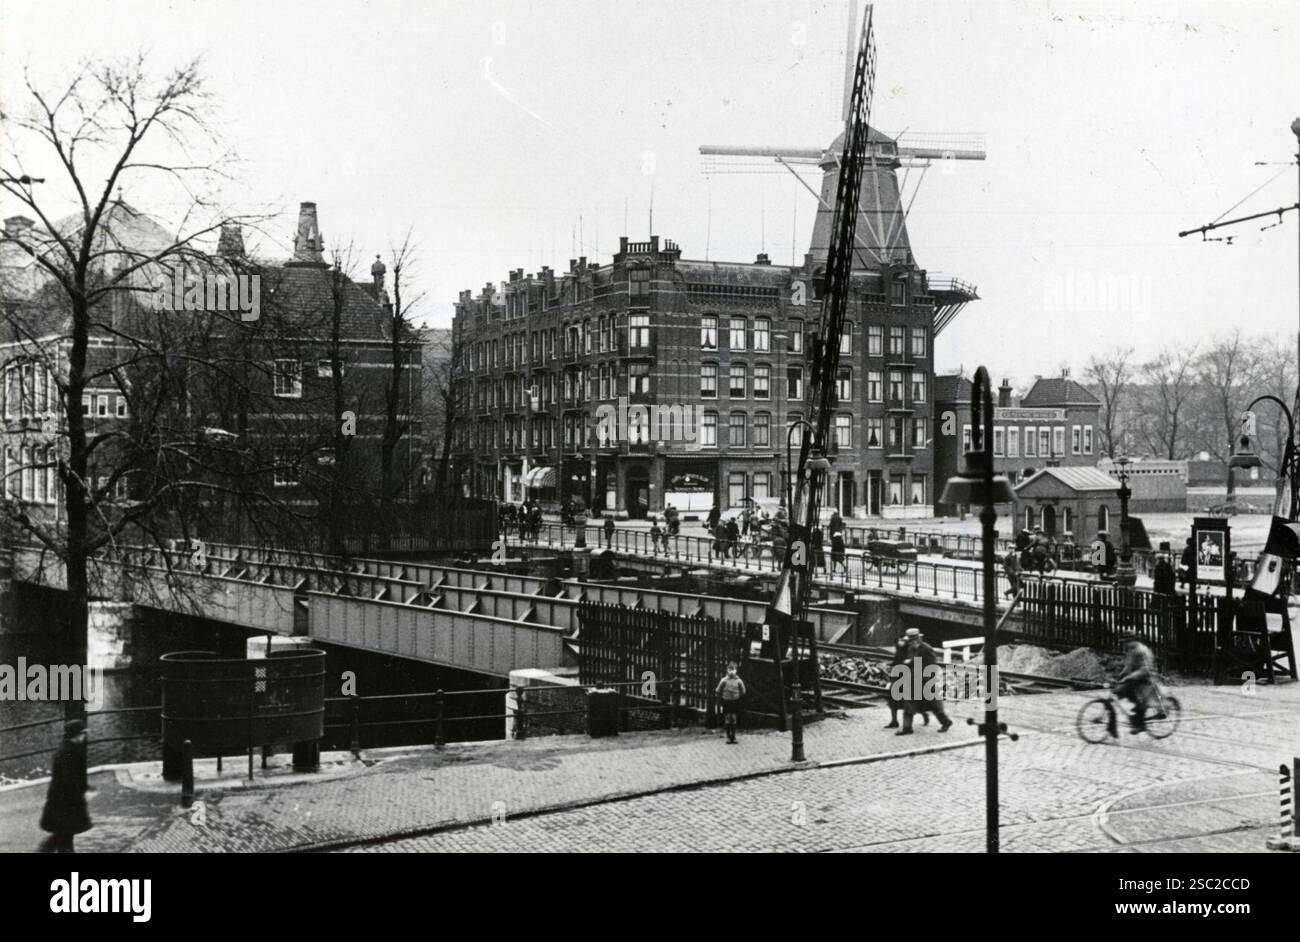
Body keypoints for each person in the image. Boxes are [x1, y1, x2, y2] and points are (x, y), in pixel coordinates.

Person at [40, 720, 91, 853]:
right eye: (83, 733)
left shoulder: (66, 749)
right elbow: (70, 779)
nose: (84, 736)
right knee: (65, 833)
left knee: (64, 833)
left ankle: (45, 850)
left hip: (61, 799)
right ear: (78, 735)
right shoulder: (69, 752)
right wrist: (81, 794)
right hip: (67, 801)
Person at [895, 628, 952, 735]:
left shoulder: (927, 649)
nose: (911, 643)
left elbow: (933, 666)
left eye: (912, 641)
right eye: (910, 641)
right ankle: (907, 728)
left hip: (926, 682)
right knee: (909, 703)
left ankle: (946, 722)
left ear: (918, 640)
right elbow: (912, 660)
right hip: (914, 681)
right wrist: (909, 662)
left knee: (934, 706)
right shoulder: (911, 649)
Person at [1114, 634, 1157, 733]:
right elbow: (1128, 666)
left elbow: (1146, 668)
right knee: (1120, 691)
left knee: (1141, 701)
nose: (1125, 644)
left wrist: (1130, 677)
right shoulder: (1131, 651)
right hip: (1134, 679)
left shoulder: (1142, 650)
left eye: (1126, 642)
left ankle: (1141, 725)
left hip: (1146, 679)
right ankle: (1136, 713)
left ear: (1133, 640)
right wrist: (1120, 675)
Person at [885, 635, 930, 729]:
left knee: (911, 701)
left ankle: (924, 714)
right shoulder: (899, 649)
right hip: (897, 676)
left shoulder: (911, 650)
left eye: (903, 641)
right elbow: (896, 662)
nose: (901, 642)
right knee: (892, 699)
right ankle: (894, 721)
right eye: (899, 640)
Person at [715, 661, 747, 744]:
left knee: (734, 718)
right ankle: (728, 737)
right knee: (728, 718)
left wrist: (737, 695)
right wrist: (722, 696)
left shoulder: (739, 681)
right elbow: (718, 690)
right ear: (727, 670)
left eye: (733, 669)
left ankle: (734, 736)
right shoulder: (724, 681)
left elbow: (743, 691)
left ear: (736, 670)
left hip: (735, 702)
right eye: (730, 669)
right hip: (726, 702)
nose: (731, 671)